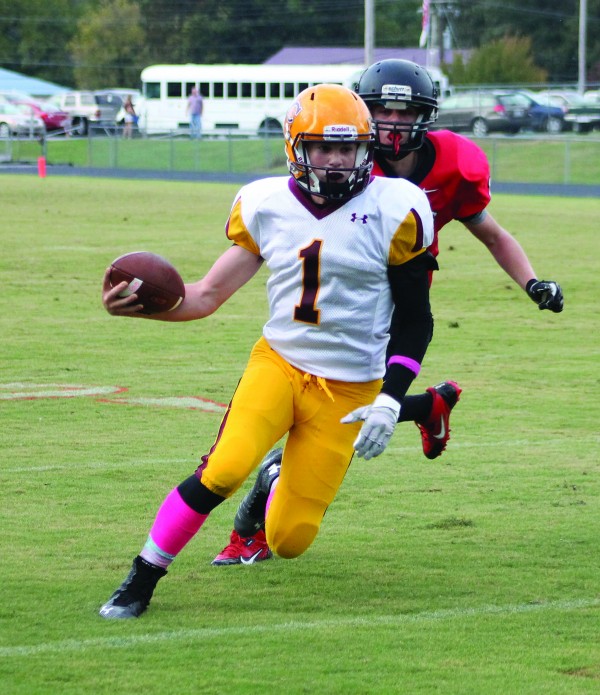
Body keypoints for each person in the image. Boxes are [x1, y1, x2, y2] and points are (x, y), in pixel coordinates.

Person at [98, 83, 437, 619]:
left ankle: (277, 479)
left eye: (346, 148)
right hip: (280, 362)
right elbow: (205, 296)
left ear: (364, 150)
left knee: (290, 539)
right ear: (295, 147)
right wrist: (144, 309)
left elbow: (417, 319)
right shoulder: (264, 202)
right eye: (323, 147)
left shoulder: (398, 206)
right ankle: (141, 578)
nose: (335, 160)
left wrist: (392, 398)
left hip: (350, 385)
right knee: (224, 470)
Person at [211, 58, 565, 567]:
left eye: (406, 113)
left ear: (426, 117)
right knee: (331, 400)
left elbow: (491, 232)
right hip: (346, 289)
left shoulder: (454, 163)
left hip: (403, 292)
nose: (393, 124)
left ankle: (254, 525)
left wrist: (531, 281)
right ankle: (427, 407)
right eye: (382, 111)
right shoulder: (343, 156)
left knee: (344, 408)